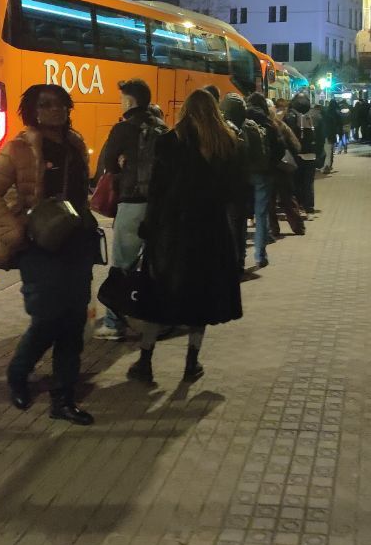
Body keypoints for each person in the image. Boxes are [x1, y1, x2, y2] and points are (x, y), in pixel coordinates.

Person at [0, 84, 97, 425]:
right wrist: (14, 232)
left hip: (75, 246)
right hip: (38, 247)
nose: (54, 110)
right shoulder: (18, 148)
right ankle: (18, 373)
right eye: (45, 105)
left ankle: (64, 397)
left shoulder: (75, 146)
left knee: (74, 323)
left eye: (59, 104)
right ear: (33, 110)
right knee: (46, 318)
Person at [128, 88, 245, 385]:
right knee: (201, 299)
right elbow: (234, 192)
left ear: (185, 111)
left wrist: (149, 228)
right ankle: (192, 362)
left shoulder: (169, 143)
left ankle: (145, 361)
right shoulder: (227, 144)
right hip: (211, 233)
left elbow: (156, 192)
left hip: (172, 231)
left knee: (158, 297)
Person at [94, 78, 166, 340]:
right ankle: (150, 314)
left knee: (123, 263)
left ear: (129, 101)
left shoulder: (123, 129)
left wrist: (122, 165)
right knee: (151, 263)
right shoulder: (162, 127)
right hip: (158, 207)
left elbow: (108, 164)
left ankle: (114, 322)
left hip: (132, 203)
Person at [220, 93, 261, 271]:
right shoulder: (250, 128)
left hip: (227, 186)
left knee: (229, 227)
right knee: (240, 226)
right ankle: (240, 261)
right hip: (245, 184)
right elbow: (257, 156)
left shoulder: (223, 131)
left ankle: (232, 262)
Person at [245, 91, 282, 267]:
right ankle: (260, 255)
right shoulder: (269, 124)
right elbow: (280, 148)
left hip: (243, 174)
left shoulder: (240, 122)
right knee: (261, 214)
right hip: (264, 174)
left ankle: (238, 256)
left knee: (239, 215)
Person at [269, 100, 305, 236]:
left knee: (269, 202)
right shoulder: (281, 125)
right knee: (288, 199)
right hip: (283, 168)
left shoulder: (261, 127)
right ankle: (298, 227)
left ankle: (274, 229)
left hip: (268, 169)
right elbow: (296, 145)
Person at [284, 93, 318, 213]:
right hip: (311, 154)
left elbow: (286, 137)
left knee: (297, 181)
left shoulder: (290, 116)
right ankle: (309, 206)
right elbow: (320, 136)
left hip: (297, 155)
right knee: (309, 182)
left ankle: (299, 205)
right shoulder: (313, 116)